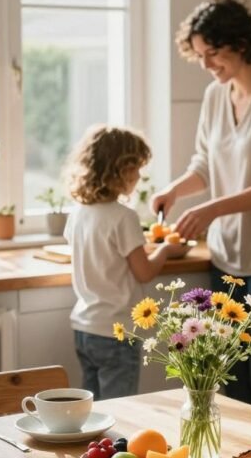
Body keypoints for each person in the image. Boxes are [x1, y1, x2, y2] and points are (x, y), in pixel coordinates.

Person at [151, 0, 251, 415]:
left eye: (213, 53)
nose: (207, 65)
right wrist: (175, 190)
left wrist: (212, 210)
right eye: (200, 55)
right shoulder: (215, 95)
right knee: (227, 369)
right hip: (225, 256)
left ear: (241, 43)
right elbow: (204, 163)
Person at [65, 125, 173, 400]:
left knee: (92, 412)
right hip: (116, 332)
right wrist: (165, 250)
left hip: (85, 327)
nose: (139, 175)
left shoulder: (78, 213)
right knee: (120, 410)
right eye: (136, 167)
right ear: (119, 170)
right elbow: (144, 271)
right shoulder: (123, 217)